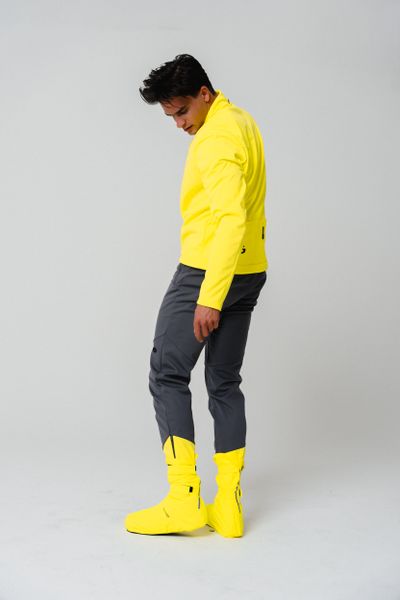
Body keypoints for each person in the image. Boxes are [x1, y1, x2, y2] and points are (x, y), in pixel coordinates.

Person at [124, 54, 268, 537]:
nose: (180, 124)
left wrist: (209, 295)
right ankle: (228, 506)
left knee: (167, 373)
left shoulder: (216, 139)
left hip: (209, 270)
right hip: (249, 270)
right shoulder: (242, 120)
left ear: (204, 93)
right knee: (224, 382)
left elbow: (230, 218)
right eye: (171, 116)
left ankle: (183, 499)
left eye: (182, 111)